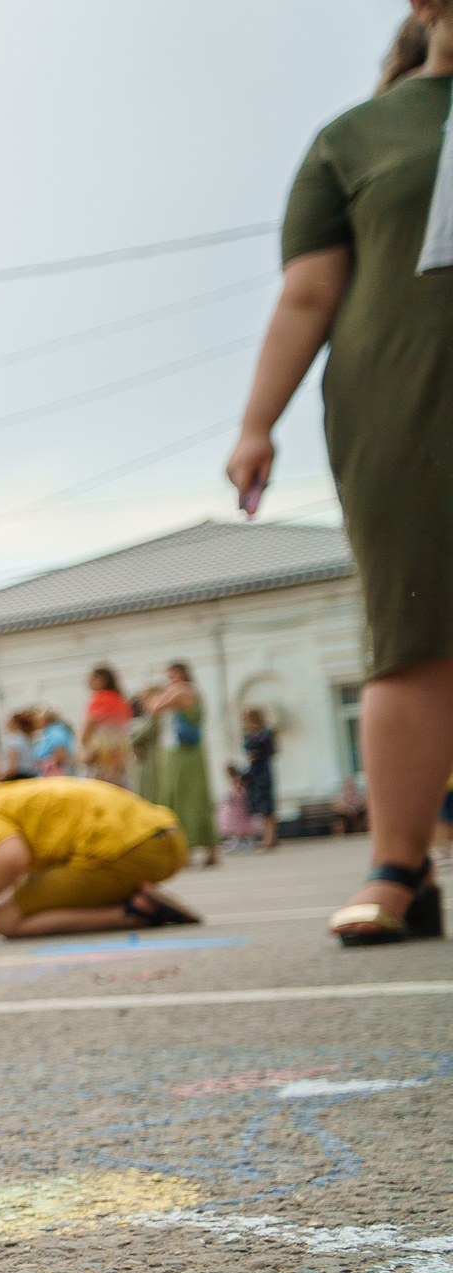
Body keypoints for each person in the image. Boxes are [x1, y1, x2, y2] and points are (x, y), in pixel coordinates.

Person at [229, 0, 452, 946]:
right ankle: (399, 865)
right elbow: (309, 292)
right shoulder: (357, 138)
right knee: (414, 623)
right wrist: (256, 423)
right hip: (405, 404)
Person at [0, 767, 203, 940]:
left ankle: (133, 912)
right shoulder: (12, 793)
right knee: (23, 905)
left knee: (6, 919)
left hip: (125, 850)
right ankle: (137, 901)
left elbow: (11, 859)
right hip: (168, 837)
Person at [147, 664, 218, 866]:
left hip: (183, 753)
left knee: (181, 796)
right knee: (195, 796)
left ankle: (187, 849)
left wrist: (156, 695)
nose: (169, 680)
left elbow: (154, 707)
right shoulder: (192, 691)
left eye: (172, 675)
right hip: (187, 752)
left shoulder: (182, 690)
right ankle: (209, 849)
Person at [82, 666, 135, 788]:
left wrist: (84, 745)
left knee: (100, 785)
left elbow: (90, 725)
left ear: (102, 680)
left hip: (102, 751)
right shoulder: (121, 701)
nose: (89, 682)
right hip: (121, 750)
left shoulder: (99, 699)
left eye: (92, 679)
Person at [241, 708, 281, 850]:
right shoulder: (248, 734)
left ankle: (270, 837)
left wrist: (258, 754)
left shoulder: (265, 733)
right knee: (260, 806)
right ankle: (267, 837)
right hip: (254, 771)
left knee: (267, 806)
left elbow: (272, 751)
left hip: (263, 770)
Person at [29, 705, 78, 778]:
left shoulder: (56, 732)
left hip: (53, 775)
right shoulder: (51, 732)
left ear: (47, 718)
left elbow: (60, 755)